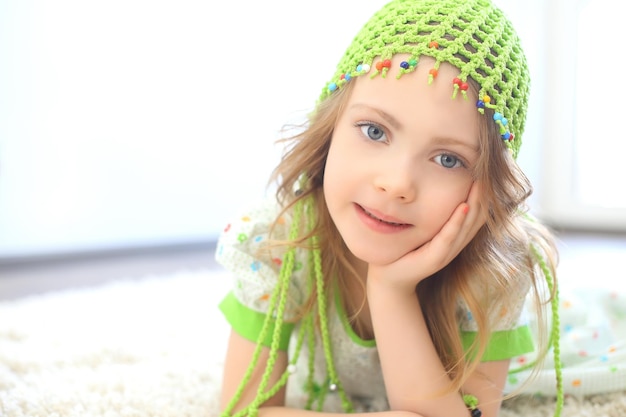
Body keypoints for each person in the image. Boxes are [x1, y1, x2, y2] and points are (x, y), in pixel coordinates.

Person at [215, 0, 564, 416]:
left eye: (448, 159)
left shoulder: (492, 272)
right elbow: (242, 410)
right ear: (330, 126)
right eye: (375, 131)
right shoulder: (278, 241)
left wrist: (391, 291)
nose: (396, 184)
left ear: (485, 188)